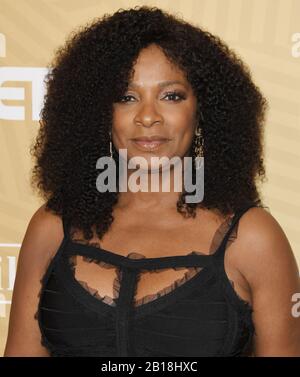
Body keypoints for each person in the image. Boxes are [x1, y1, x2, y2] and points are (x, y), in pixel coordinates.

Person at [4, 6, 300, 357]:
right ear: (97, 111)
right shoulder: (51, 227)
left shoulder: (254, 239)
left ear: (202, 109)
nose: (148, 116)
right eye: (127, 97)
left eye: (171, 95)